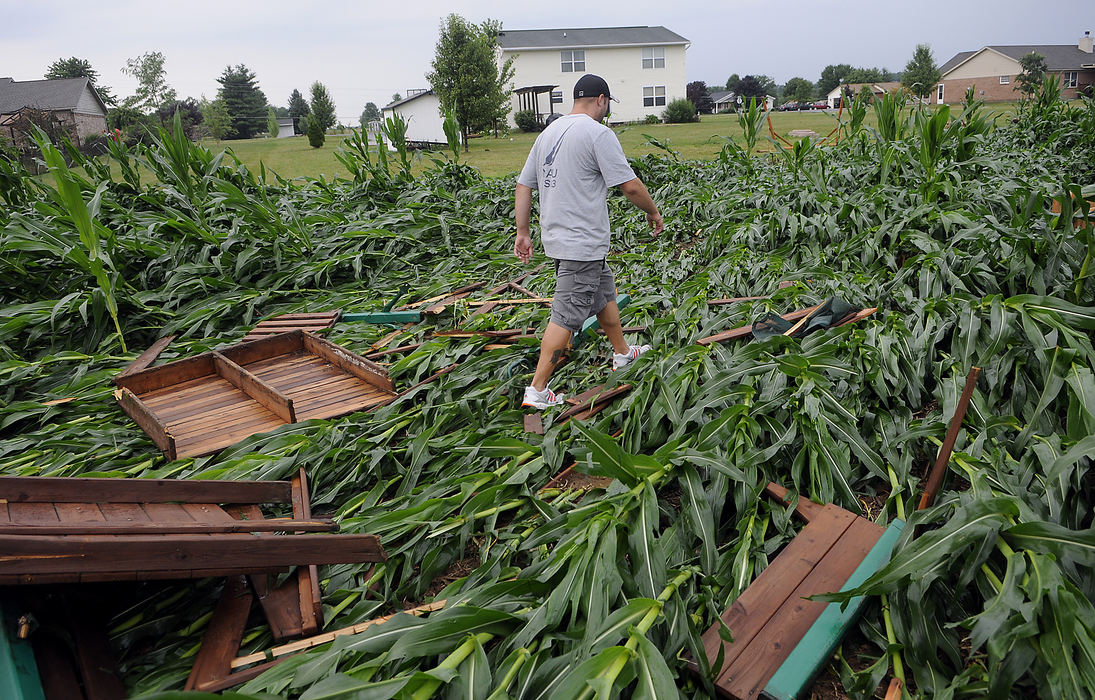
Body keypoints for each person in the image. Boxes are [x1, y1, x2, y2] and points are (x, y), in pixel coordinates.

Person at [514, 73, 664, 409]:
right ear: (602, 100)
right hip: (580, 243)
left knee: (603, 293)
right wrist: (653, 213)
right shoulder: (598, 134)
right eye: (607, 105)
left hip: (561, 239)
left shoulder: (548, 134)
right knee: (566, 315)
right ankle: (537, 391)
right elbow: (630, 186)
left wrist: (523, 233)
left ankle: (623, 353)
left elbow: (524, 186)